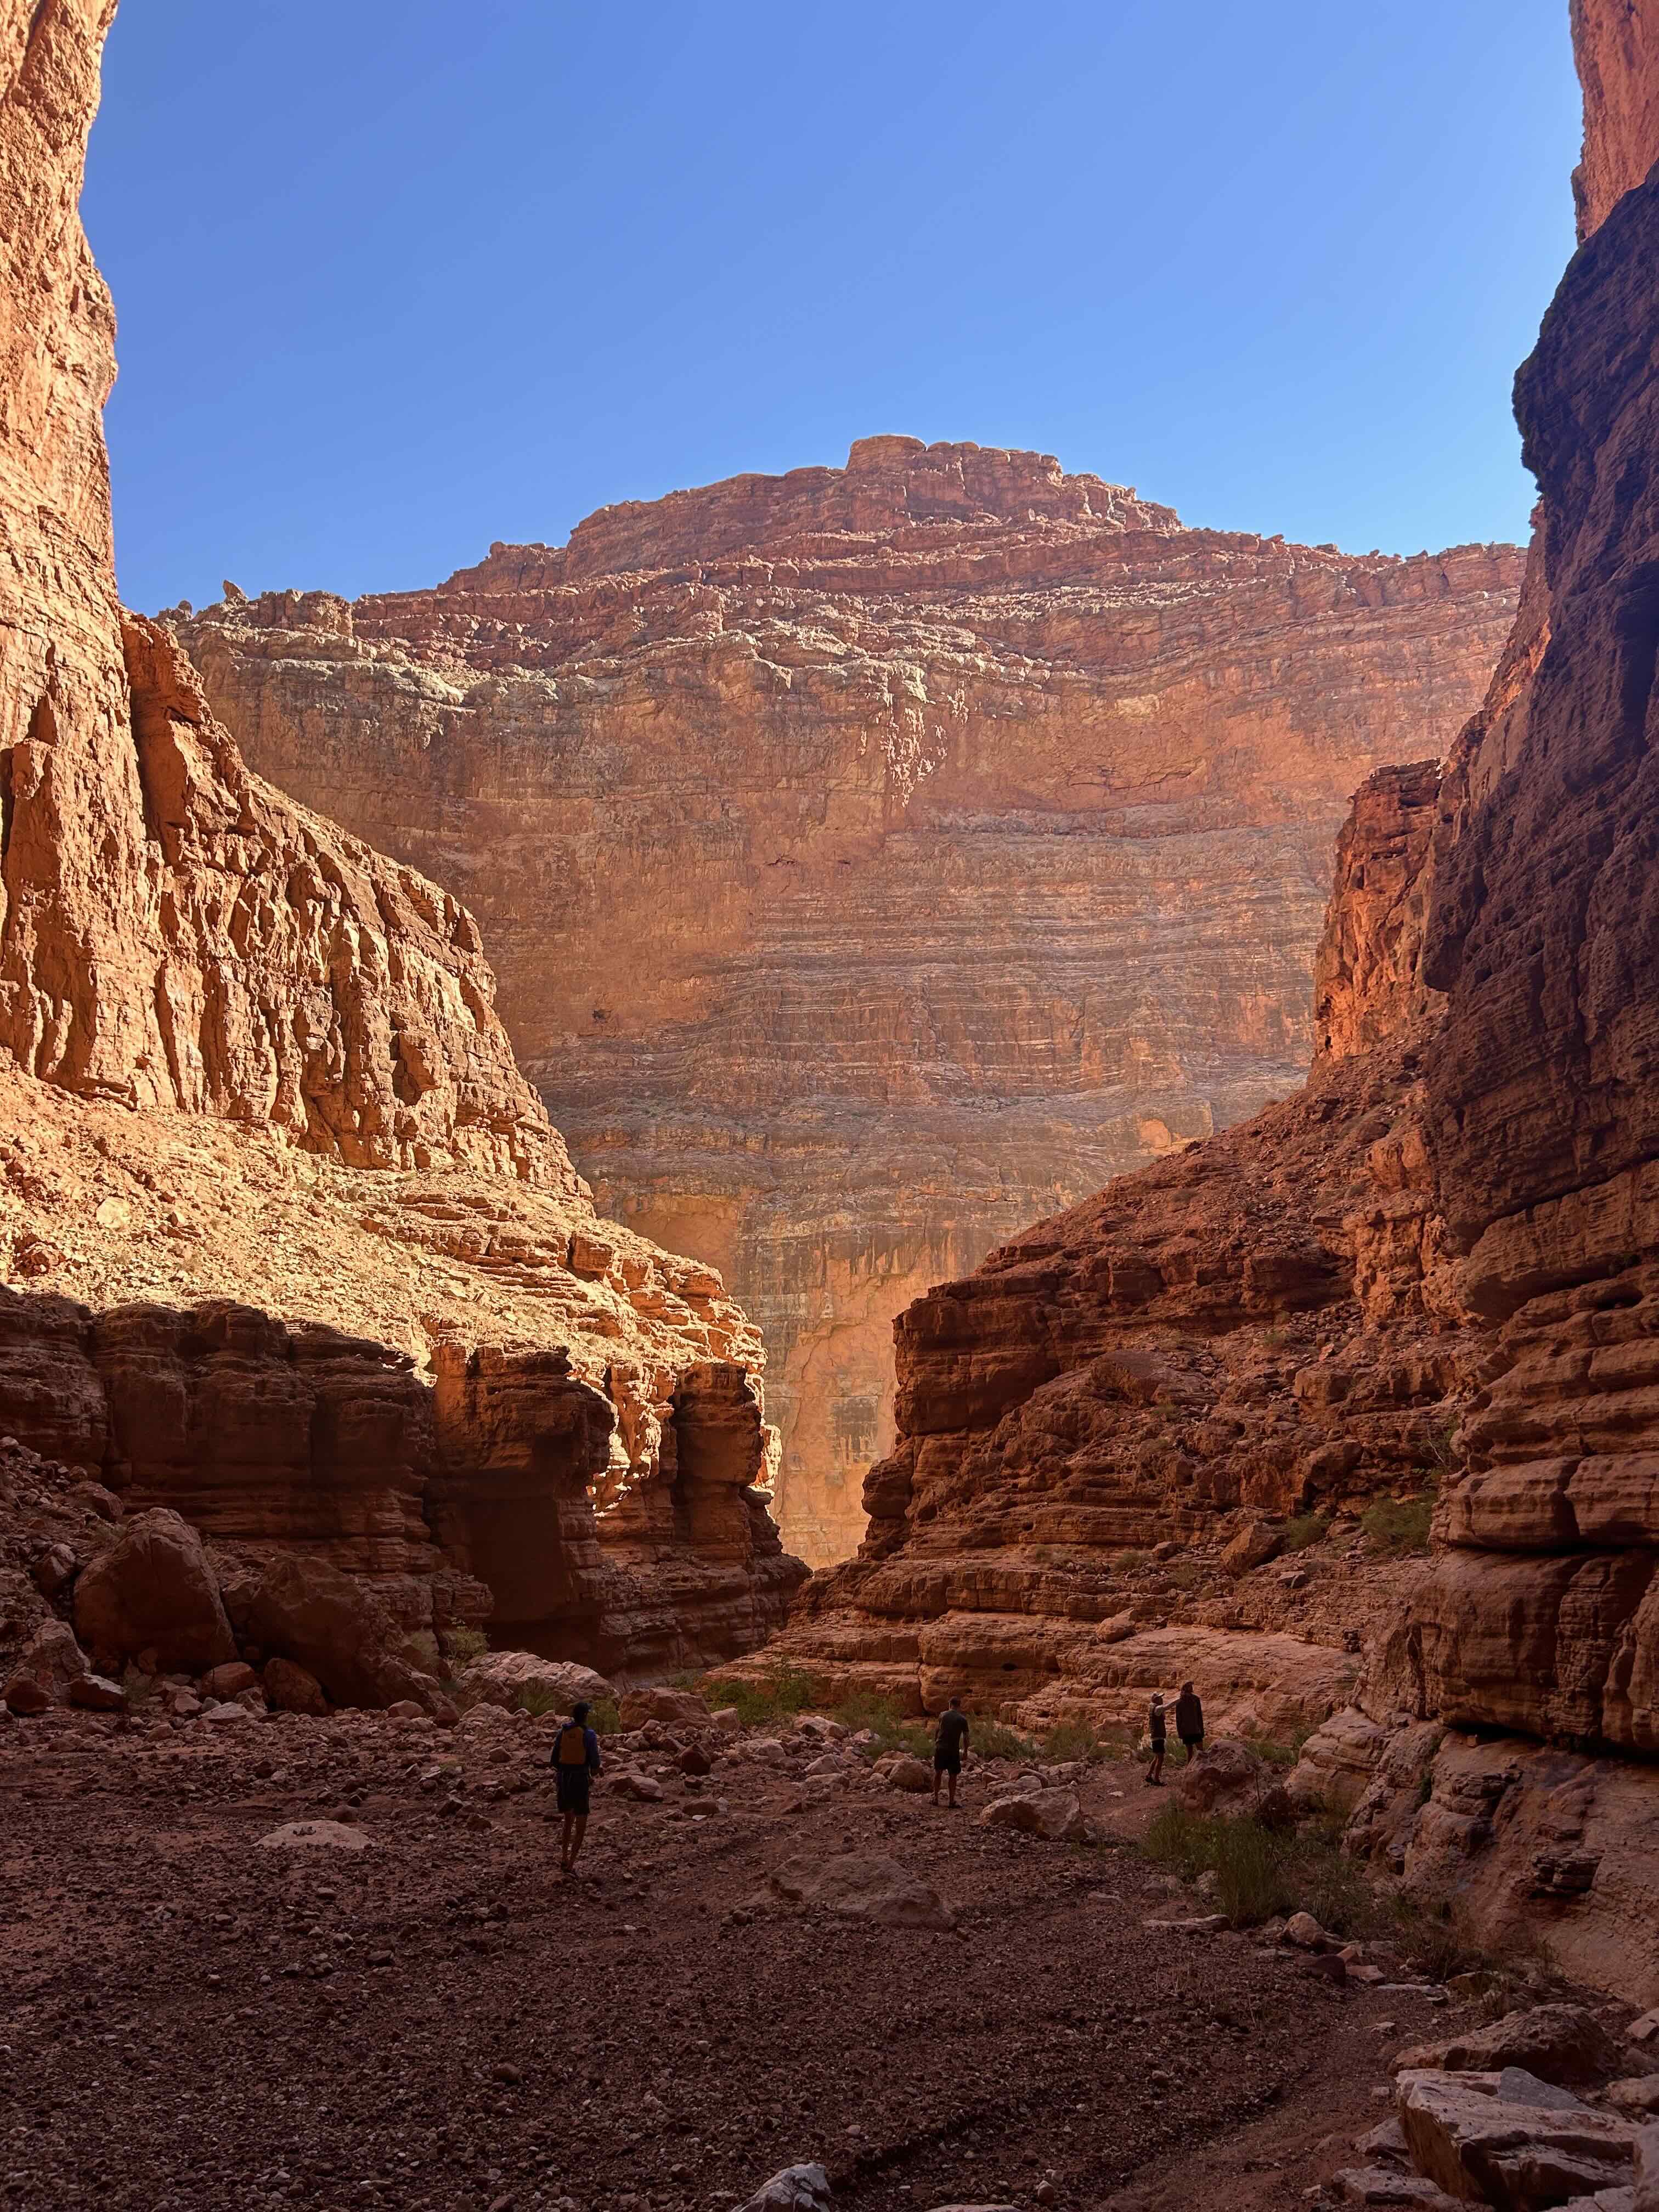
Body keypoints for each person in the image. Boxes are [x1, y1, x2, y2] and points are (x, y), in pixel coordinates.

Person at [553, 1699, 602, 1874]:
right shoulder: (589, 1734)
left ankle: (564, 1857)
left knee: (568, 1820)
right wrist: (593, 1772)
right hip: (580, 1780)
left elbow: (554, 1760)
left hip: (564, 1779)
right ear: (586, 1716)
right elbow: (595, 1765)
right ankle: (572, 1864)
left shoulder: (563, 1732)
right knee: (581, 1823)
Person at [932, 1695, 970, 1808]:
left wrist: (936, 1742)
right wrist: (966, 1751)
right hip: (953, 1750)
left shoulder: (942, 1715)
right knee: (953, 1775)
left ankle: (935, 1798)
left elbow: (937, 1730)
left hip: (940, 1748)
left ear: (950, 1705)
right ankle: (951, 1801)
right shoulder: (963, 1719)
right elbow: (966, 1738)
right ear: (959, 1706)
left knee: (938, 1773)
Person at [1175, 1680, 1204, 1763]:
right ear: (1185, 1688)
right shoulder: (1180, 1702)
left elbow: (1199, 1716)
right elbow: (1178, 1719)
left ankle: (1202, 1770)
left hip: (1195, 1729)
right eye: (1189, 1686)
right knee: (1190, 1753)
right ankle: (1188, 1772)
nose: (1191, 1687)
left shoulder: (1196, 1699)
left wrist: (1201, 1729)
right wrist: (1180, 1732)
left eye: (1191, 1686)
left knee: (1201, 1751)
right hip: (1187, 1731)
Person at [1144, 1691, 1167, 1787]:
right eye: (1160, 1698)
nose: (1162, 1699)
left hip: (1156, 1737)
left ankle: (1149, 1775)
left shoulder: (1154, 1708)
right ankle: (1156, 1779)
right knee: (1161, 1758)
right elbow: (1168, 1707)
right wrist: (1179, 1699)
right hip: (1157, 1737)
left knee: (1157, 1757)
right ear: (1156, 1700)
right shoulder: (1157, 1709)